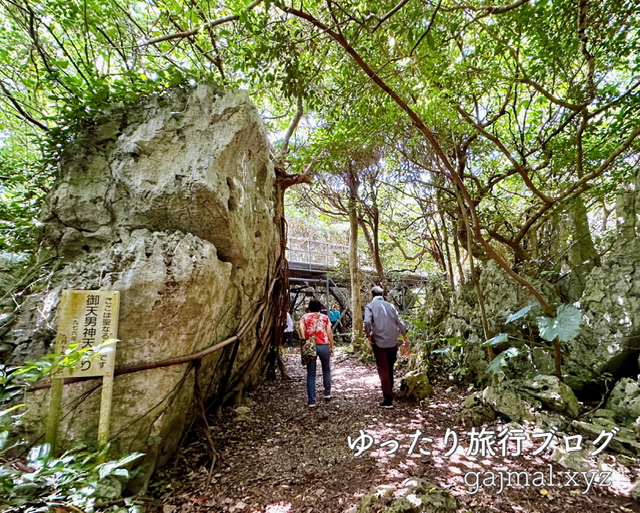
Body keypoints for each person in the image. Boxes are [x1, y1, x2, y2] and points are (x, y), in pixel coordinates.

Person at [364, 286, 409, 408]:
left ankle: (388, 399)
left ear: (372, 295)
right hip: (392, 341)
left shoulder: (370, 306)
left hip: (379, 341)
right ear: (382, 294)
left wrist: (368, 335)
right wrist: (404, 335)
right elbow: (400, 322)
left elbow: (367, 322)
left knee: (383, 368)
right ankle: (390, 390)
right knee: (389, 367)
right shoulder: (391, 306)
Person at [299, 298, 335, 407]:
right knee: (326, 369)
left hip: (310, 345)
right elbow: (329, 332)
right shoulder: (325, 317)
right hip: (323, 344)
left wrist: (304, 338)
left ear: (309, 307)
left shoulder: (305, 317)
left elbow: (300, 326)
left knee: (311, 373)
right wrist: (332, 346)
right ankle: (327, 392)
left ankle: (311, 400)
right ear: (320, 307)